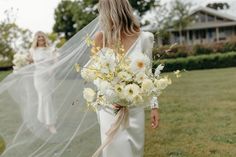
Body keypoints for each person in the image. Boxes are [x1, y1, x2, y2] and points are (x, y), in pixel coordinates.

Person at [91, 0, 160, 156]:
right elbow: (95, 76)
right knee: (114, 151)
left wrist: (154, 106)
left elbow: (149, 76)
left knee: (135, 152)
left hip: (134, 106)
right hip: (109, 107)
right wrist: (110, 94)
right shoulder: (100, 38)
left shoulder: (144, 38)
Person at [28, 31, 57, 134]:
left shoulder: (51, 49)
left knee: (48, 99)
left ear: (45, 38)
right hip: (39, 77)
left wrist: (52, 69)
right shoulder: (32, 50)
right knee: (46, 98)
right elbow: (30, 62)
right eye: (38, 37)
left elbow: (56, 62)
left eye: (42, 37)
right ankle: (50, 124)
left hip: (49, 77)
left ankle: (43, 120)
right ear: (36, 39)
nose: (41, 39)